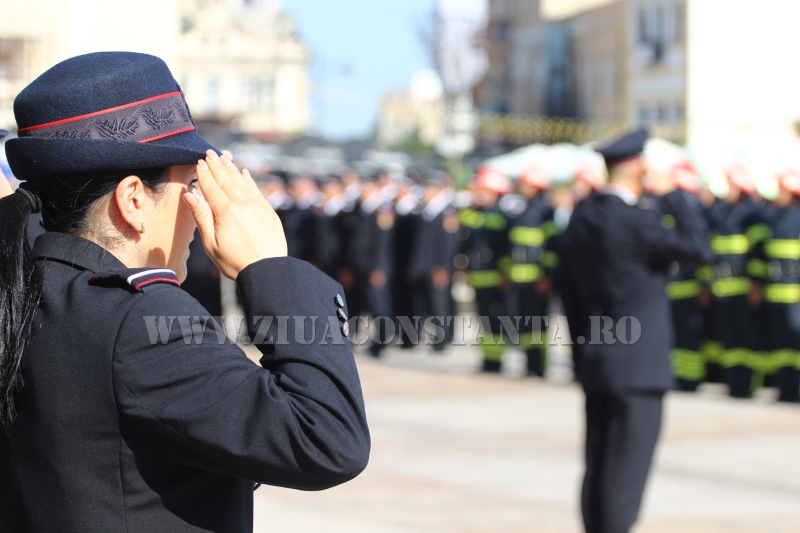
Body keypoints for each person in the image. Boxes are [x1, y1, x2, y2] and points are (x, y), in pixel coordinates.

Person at [0, 52, 369, 532]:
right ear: (133, 200)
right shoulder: (136, 321)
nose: (199, 209)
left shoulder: (29, 290)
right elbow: (326, 440)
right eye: (191, 185)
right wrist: (270, 268)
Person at [560, 129, 712, 533]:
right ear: (638, 169)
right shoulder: (635, 221)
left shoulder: (582, 219)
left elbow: (569, 295)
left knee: (597, 469)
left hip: (598, 360)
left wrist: (583, 355)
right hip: (639, 368)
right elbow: (699, 248)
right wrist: (674, 195)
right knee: (624, 478)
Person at [704, 165, 769, 398]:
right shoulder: (721, 213)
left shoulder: (752, 215)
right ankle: (733, 383)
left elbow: (759, 253)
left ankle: (748, 385)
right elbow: (714, 252)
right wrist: (709, 284)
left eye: (730, 185)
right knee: (729, 341)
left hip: (744, 289)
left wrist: (755, 283)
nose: (726, 190)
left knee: (748, 339)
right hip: (724, 289)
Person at [457, 166, 512, 372]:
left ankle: (496, 361)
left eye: (484, 190)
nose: (481, 194)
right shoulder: (474, 213)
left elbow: (506, 248)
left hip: (495, 276)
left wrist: (504, 273)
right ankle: (487, 359)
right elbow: (464, 234)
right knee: (483, 321)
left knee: (495, 321)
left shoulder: (501, 215)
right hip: (478, 276)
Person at [505, 164, 557, 377]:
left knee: (538, 325)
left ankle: (539, 366)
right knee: (525, 324)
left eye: (525, 185)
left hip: (537, 279)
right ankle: (529, 364)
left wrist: (546, 276)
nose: (521, 188)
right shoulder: (521, 209)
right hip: (519, 278)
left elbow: (552, 247)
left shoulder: (546, 211)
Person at [758, 168, 800, 402]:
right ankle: (786, 389)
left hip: (795, 294)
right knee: (781, 346)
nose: (778, 194)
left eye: (782, 190)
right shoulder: (776, 216)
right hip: (776, 292)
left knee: (796, 346)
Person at [409, 172, 460, 350]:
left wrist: (443, 268)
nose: (426, 192)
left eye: (430, 188)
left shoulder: (447, 212)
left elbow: (449, 244)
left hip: (438, 268)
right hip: (424, 267)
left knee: (440, 305)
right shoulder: (426, 212)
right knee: (424, 303)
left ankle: (442, 340)